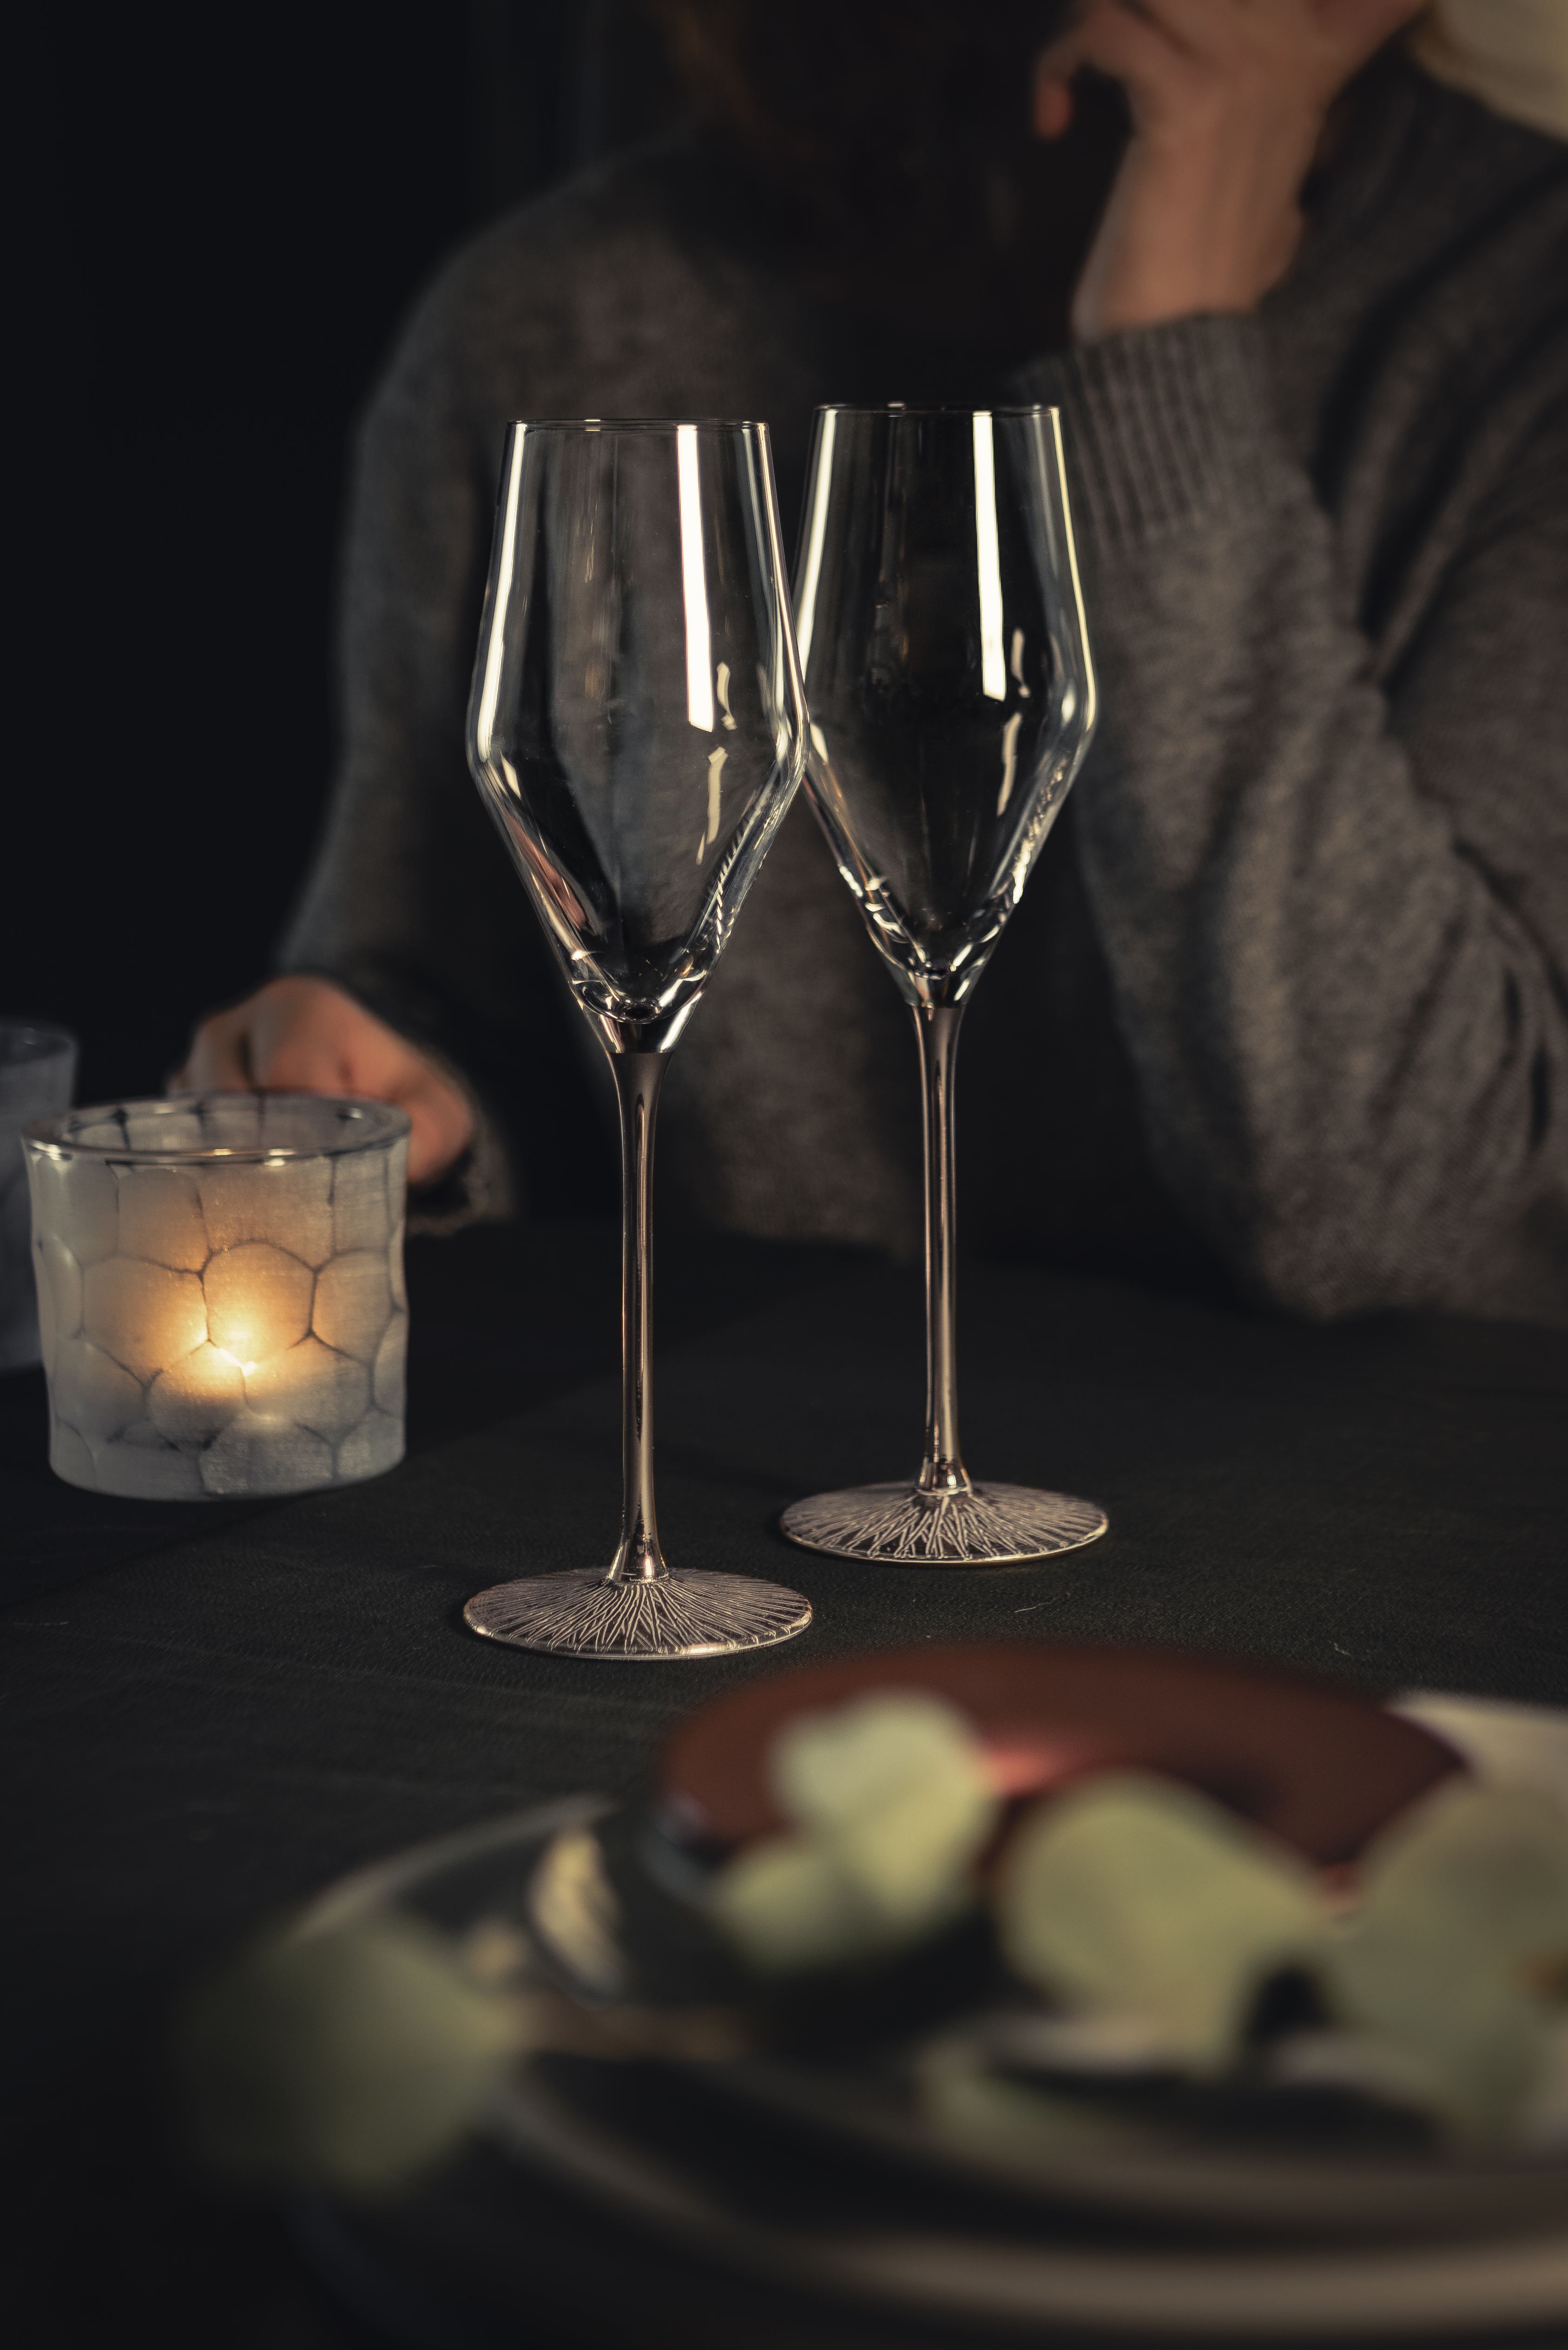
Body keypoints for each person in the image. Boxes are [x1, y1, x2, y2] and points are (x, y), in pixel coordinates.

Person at [178, 0, 1568, 1327]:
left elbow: (1417, 1227)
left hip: (1360, 1532)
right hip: (736, 1503)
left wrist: (1162, 377)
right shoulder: (553, 326)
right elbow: (471, 1021)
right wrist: (399, 1087)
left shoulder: (1525, 330)